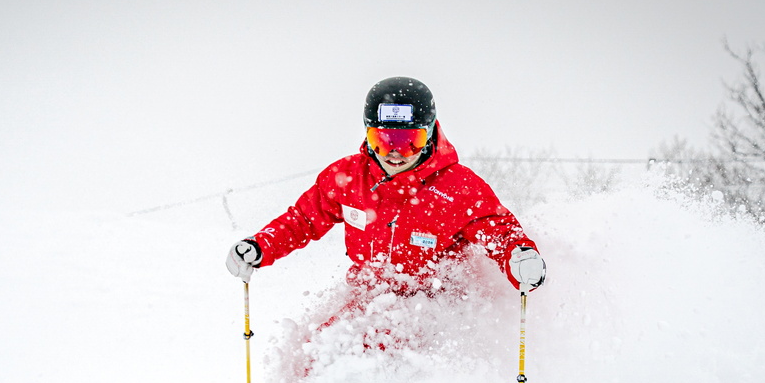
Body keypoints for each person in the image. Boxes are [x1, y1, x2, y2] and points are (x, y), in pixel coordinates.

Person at [225, 77, 546, 296]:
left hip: (437, 306)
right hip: (370, 299)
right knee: (316, 354)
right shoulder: (347, 178)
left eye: (408, 141)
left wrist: (518, 255)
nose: (394, 152)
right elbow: (303, 221)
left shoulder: (457, 188)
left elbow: (497, 229)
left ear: (430, 134)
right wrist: (260, 246)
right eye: (382, 139)